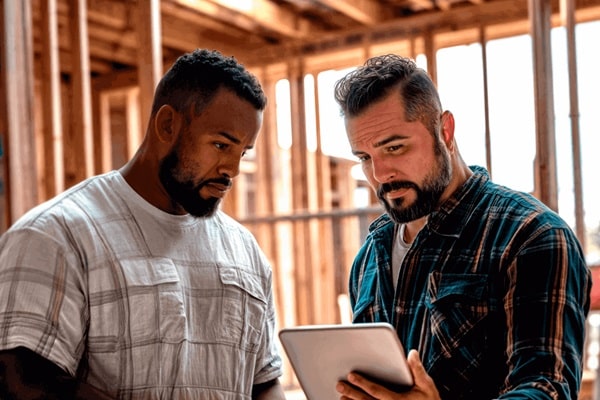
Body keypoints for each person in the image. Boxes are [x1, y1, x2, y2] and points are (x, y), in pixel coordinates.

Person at [0, 49, 286, 399]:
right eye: (220, 144)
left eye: (242, 152)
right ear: (167, 125)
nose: (232, 169)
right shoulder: (56, 235)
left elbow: (265, 382)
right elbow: (23, 383)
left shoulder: (245, 251)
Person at [333, 54, 591, 399]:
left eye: (394, 147)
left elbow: (547, 389)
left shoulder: (531, 235)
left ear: (445, 130)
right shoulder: (369, 257)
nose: (380, 174)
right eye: (364, 158)